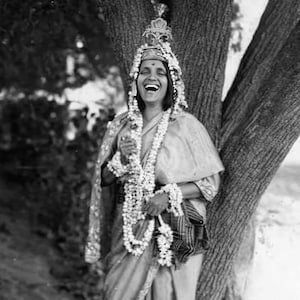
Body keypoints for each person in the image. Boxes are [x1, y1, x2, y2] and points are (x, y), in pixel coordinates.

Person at [85, 17, 224, 300]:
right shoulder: (121, 125)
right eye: (145, 71)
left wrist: (169, 195)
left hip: (167, 228)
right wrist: (122, 159)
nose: (152, 78)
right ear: (135, 80)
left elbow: (210, 184)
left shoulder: (186, 125)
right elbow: (102, 180)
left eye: (160, 72)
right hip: (125, 228)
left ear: (171, 82)